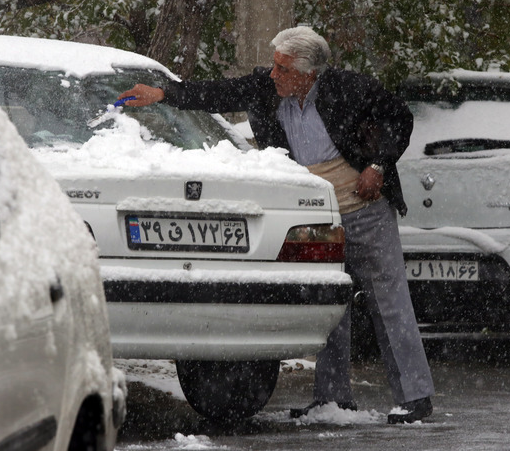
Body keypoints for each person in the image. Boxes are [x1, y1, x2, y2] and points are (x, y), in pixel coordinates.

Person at [118, 26, 435, 424]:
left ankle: (414, 397)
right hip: (315, 217)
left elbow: (398, 118)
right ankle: (332, 400)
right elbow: (220, 92)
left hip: (363, 209)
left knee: (389, 302)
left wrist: (378, 165)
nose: (273, 74)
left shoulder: (349, 88)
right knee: (329, 307)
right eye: (274, 65)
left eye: (282, 68)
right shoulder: (267, 89)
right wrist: (164, 94)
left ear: (309, 72)